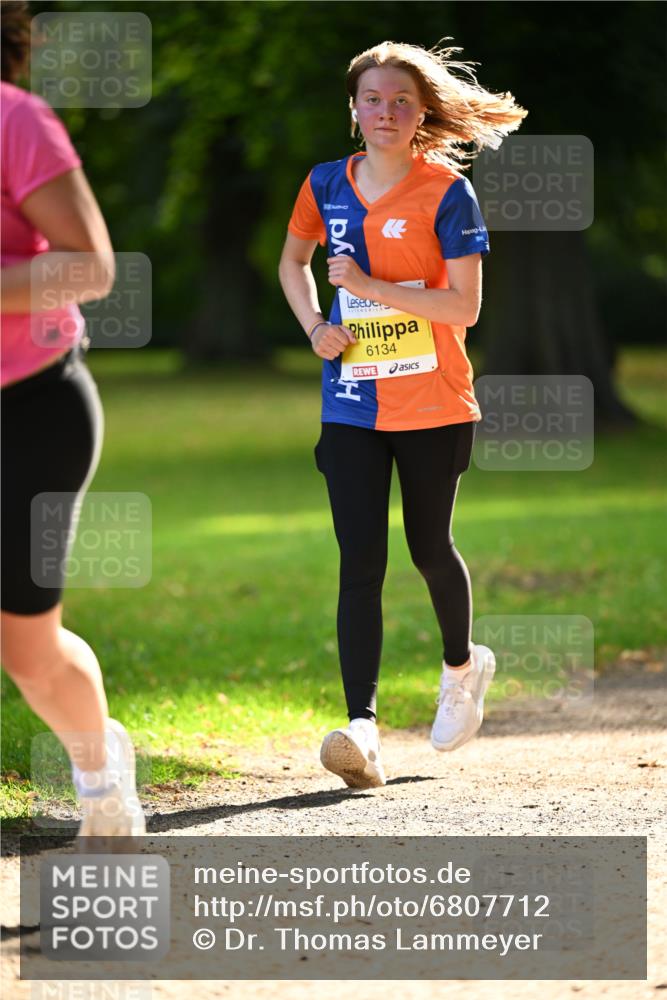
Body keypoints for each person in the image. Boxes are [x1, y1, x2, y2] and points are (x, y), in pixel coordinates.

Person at [279, 40, 527, 789]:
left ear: (421, 115)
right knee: (360, 562)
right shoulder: (324, 183)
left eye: (401, 102)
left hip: (434, 402)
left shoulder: (448, 192)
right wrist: (314, 326)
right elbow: (292, 262)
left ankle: (461, 668)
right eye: (372, 100)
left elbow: (464, 307)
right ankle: (362, 728)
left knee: (427, 547)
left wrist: (367, 287)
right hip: (351, 402)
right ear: (353, 110)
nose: (385, 112)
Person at [0, 1, 145, 834]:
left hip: (30, 405)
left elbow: (90, 266)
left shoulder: (17, 122)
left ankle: (99, 772)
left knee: (26, 648)